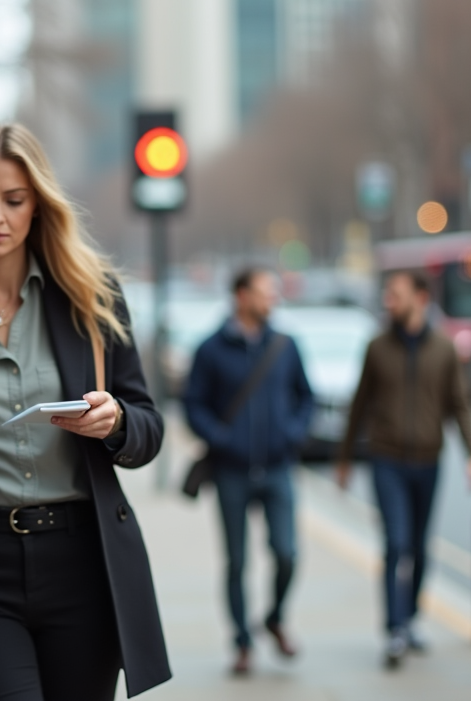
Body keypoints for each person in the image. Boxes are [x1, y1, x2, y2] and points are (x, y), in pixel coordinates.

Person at [0, 123, 171, 701]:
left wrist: (117, 422)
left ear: (38, 206)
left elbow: (149, 428)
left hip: (83, 562)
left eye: (14, 200)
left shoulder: (91, 296)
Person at [336, 270, 471, 669]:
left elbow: (460, 403)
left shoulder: (444, 349)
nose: (389, 300)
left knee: (419, 547)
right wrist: (345, 458)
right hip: (386, 459)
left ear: (420, 297)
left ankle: (411, 616)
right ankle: (394, 628)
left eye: (396, 294)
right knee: (395, 543)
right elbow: (359, 404)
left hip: (427, 460)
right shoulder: (377, 348)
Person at [183, 267, 314, 675]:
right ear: (240, 296)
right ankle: (241, 642)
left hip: (278, 468)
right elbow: (193, 404)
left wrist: (292, 434)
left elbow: (305, 397)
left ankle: (274, 617)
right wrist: (221, 439)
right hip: (231, 472)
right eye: (264, 292)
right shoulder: (210, 349)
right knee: (236, 562)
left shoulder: (285, 345)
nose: (271, 299)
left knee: (287, 554)